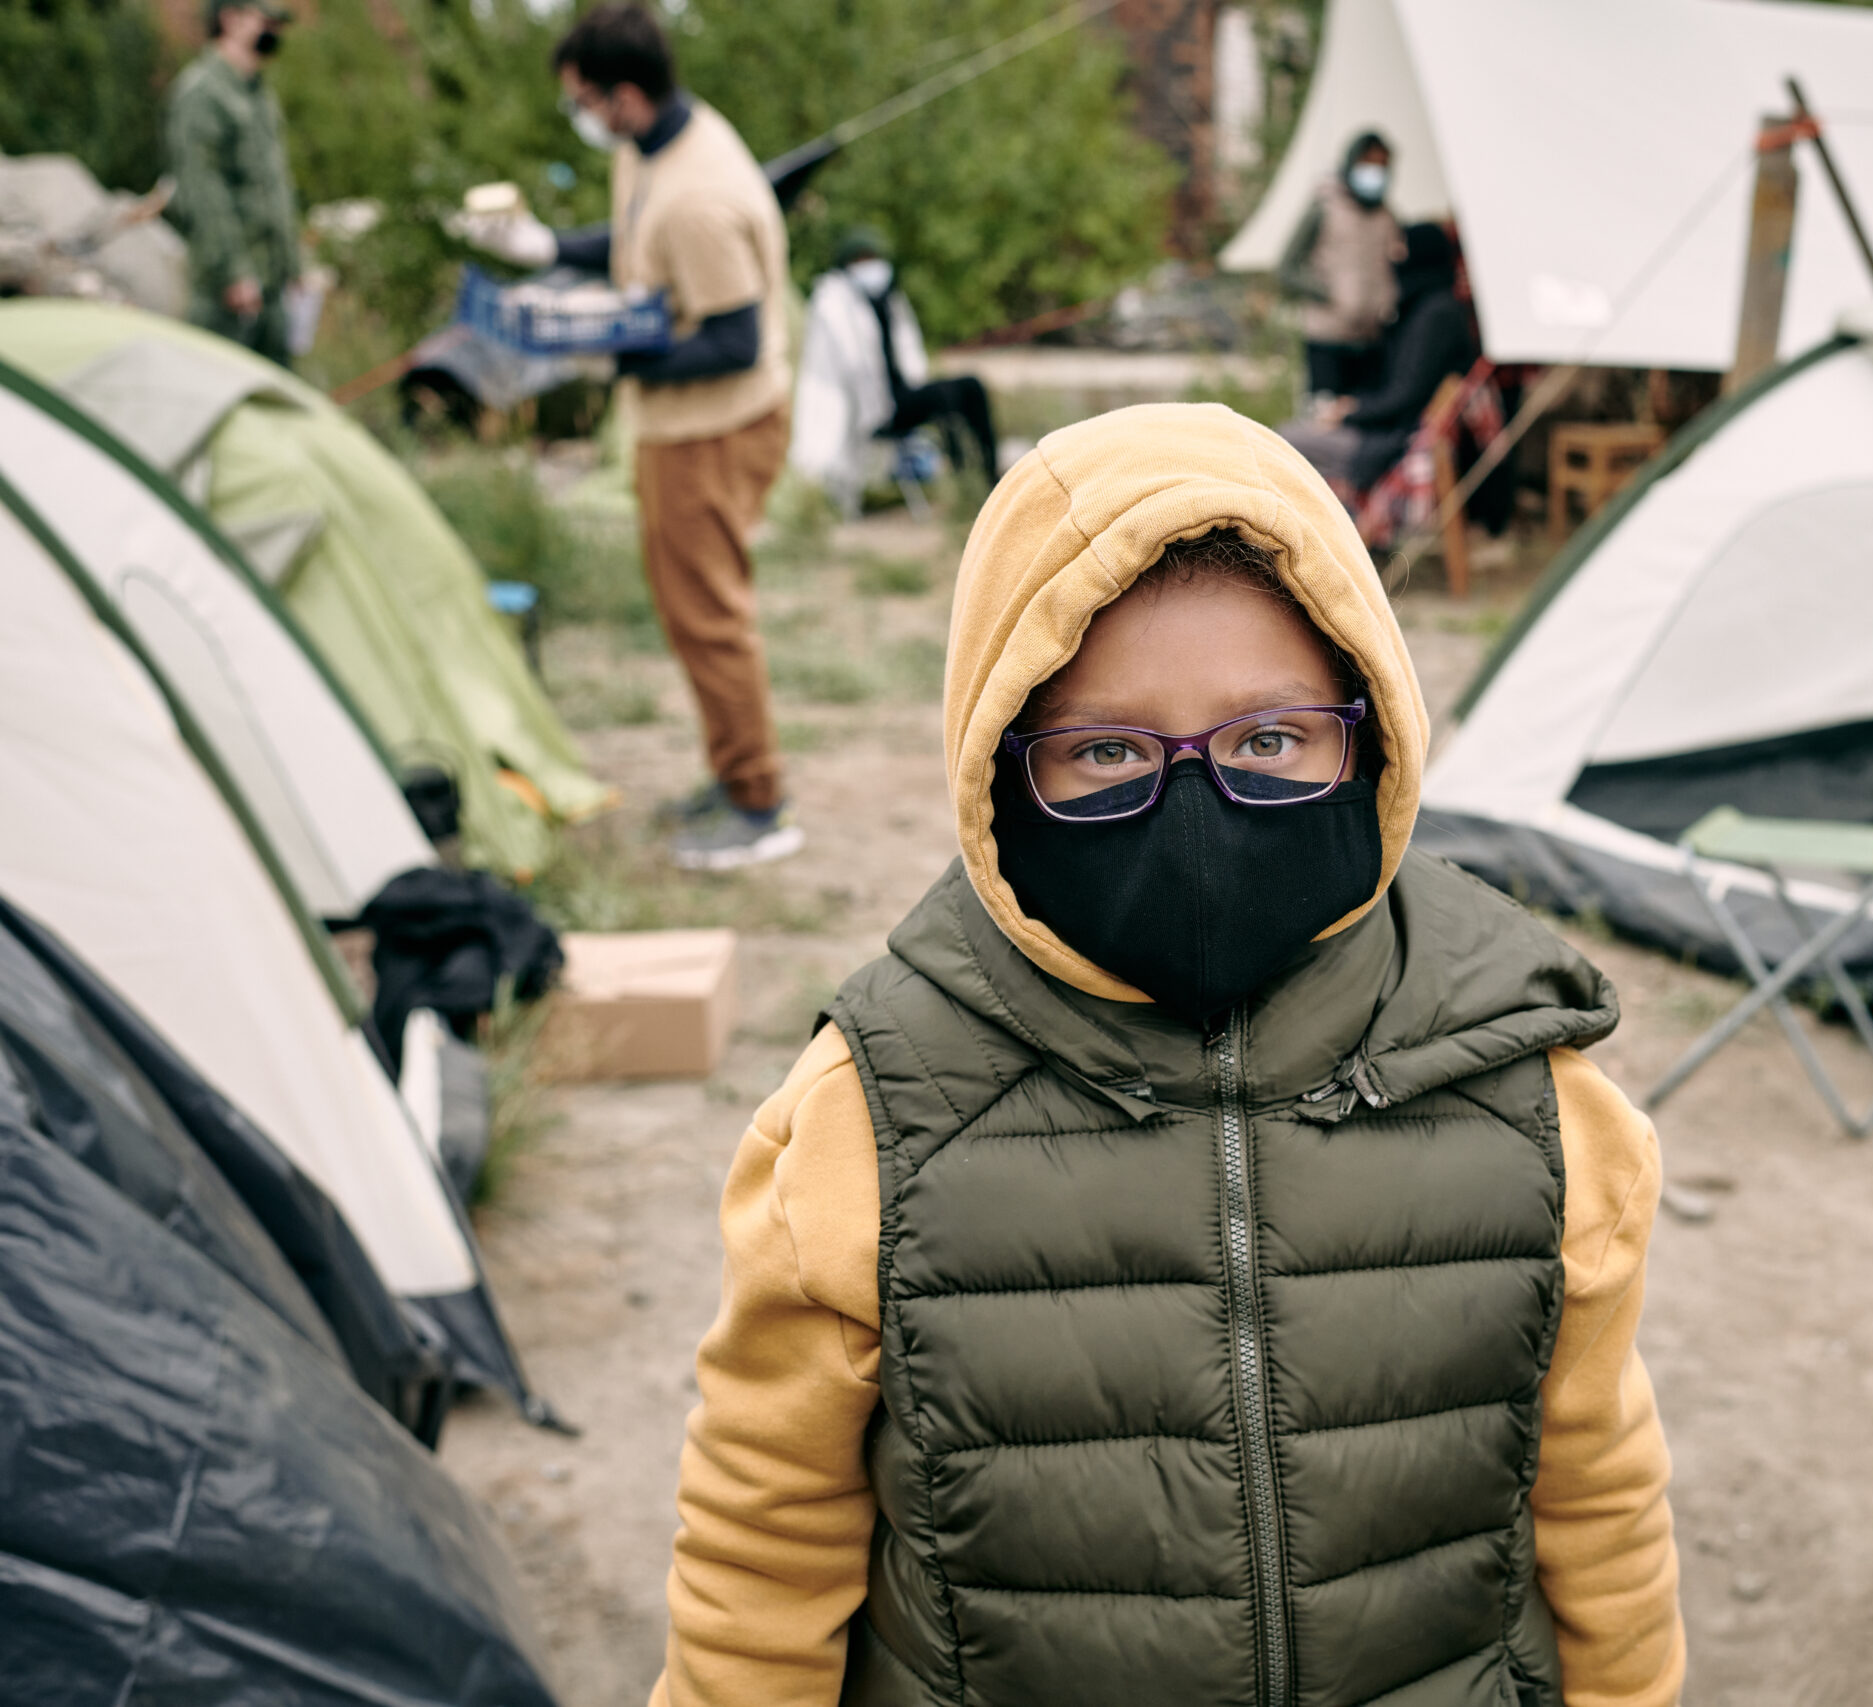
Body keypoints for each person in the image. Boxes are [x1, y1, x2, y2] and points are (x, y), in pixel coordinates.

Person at [648, 403, 1684, 1706]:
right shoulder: (875, 1122)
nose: (1198, 813)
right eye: (1107, 752)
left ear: (1366, 735)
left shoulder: (1527, 1088)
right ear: (997, 769)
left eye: (1268, 740)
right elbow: (762, 1550)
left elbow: (1598, 1502)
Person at [461, 4, 799, 870]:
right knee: (687, 611)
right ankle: (731, 776)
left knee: (708, 615)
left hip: (713, 429)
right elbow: (629, 240)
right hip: (673, 424)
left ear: (624, 95)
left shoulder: (702, 196)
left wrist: (606, 354)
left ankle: (758, 802)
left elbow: (734, 339)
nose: (579, 115)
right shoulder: (648, 150)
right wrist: (549, 249)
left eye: (583, 99)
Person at [788, 227, 998, 508]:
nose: (870, 266)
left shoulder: (890, 299)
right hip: (870, 408)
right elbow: (836, 373)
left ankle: (990, 475)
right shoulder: (832, 305)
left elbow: (910, 353)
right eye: (861, 259)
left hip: (902, 393)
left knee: (972, 386)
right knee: (944, 399)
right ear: (846, 263)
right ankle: (964, 480)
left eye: (873, 257)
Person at [1280, 222, 1479, 494]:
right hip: (1384, 429)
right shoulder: (1420, 307)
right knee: (1294, 435)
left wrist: (1350, 413)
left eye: (1401, 247)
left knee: (1279, 442)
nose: (1393, 255)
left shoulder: (1436, 315)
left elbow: (1406, 393)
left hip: (1390, 440)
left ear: (1420, 253)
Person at [164, 0, 298, 365]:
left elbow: (274, 186)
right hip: (228, 290)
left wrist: (293, 263)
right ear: (231, 19)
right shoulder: (203, 93)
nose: (274, 32)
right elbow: (203, 193)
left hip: (270, 283)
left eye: (278, 24)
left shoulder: (258, 94)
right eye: (265, 21)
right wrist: (234, 272)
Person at [1279, 131, 1403, 400]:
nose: (1375, 173)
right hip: (1327, 338)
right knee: (1325, 420)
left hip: (1372, 339)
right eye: (1368, 165)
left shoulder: (1388, 217)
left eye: (1382, 166)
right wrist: (1330, 294)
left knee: (1364, 422)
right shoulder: (1324, 208)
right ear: (1352, 163)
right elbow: (1287, 267)